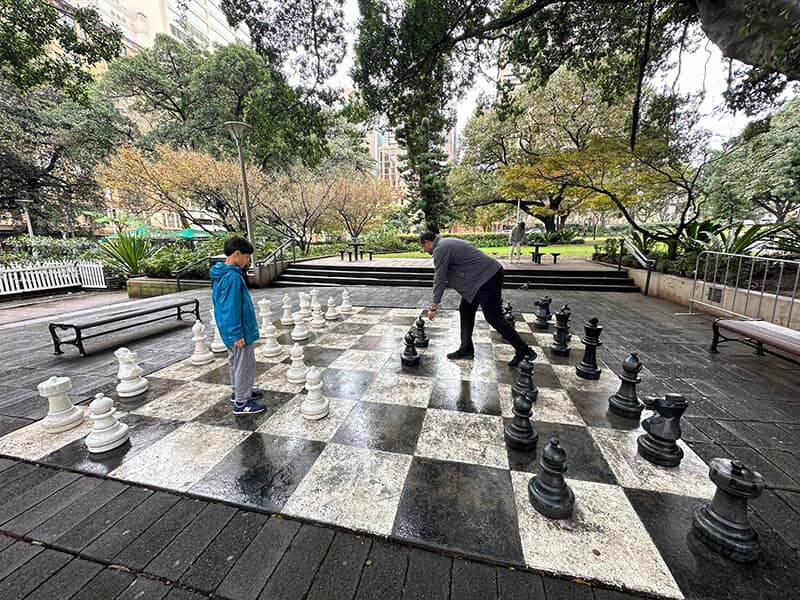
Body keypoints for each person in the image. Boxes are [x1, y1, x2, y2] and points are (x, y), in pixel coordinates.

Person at [419, 231, 535, 367]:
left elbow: (439, 278)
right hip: (480, 280)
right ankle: (466, 348)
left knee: (494, 318)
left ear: (428, 243)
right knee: (466, 310)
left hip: (487, 279)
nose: (423, 250)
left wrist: (434, 306)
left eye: (423, 247)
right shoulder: (447, 243)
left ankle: (524, 350)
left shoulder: (440, 249)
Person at [210, 236, 266, 415]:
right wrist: (237, 333)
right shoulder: (233, 277)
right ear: (237, 254)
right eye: (247, 257)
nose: (247, 261)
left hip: (227, 328)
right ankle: (242, 403)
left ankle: (238, 392)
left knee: (235, 361)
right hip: (237, 329)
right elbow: (231, 307)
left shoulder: (221, 273)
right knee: (244, 363)